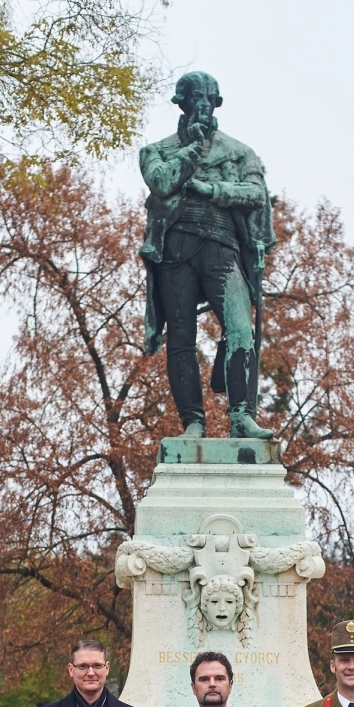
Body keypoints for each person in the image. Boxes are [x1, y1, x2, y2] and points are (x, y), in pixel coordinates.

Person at [139, 71, 275, 439]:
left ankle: (242, 417)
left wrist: (210, 189)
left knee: (240, 329)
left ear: (217, 103)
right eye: (195, 97)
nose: (203, 105)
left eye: (209, 99)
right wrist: (194, 149)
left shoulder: (238, 151)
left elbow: (256, 194)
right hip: (175, 249)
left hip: (222, 246)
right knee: (181, 337)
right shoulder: (156, 151)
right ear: (181, 102)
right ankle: (193, 424)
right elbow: (162, 182)